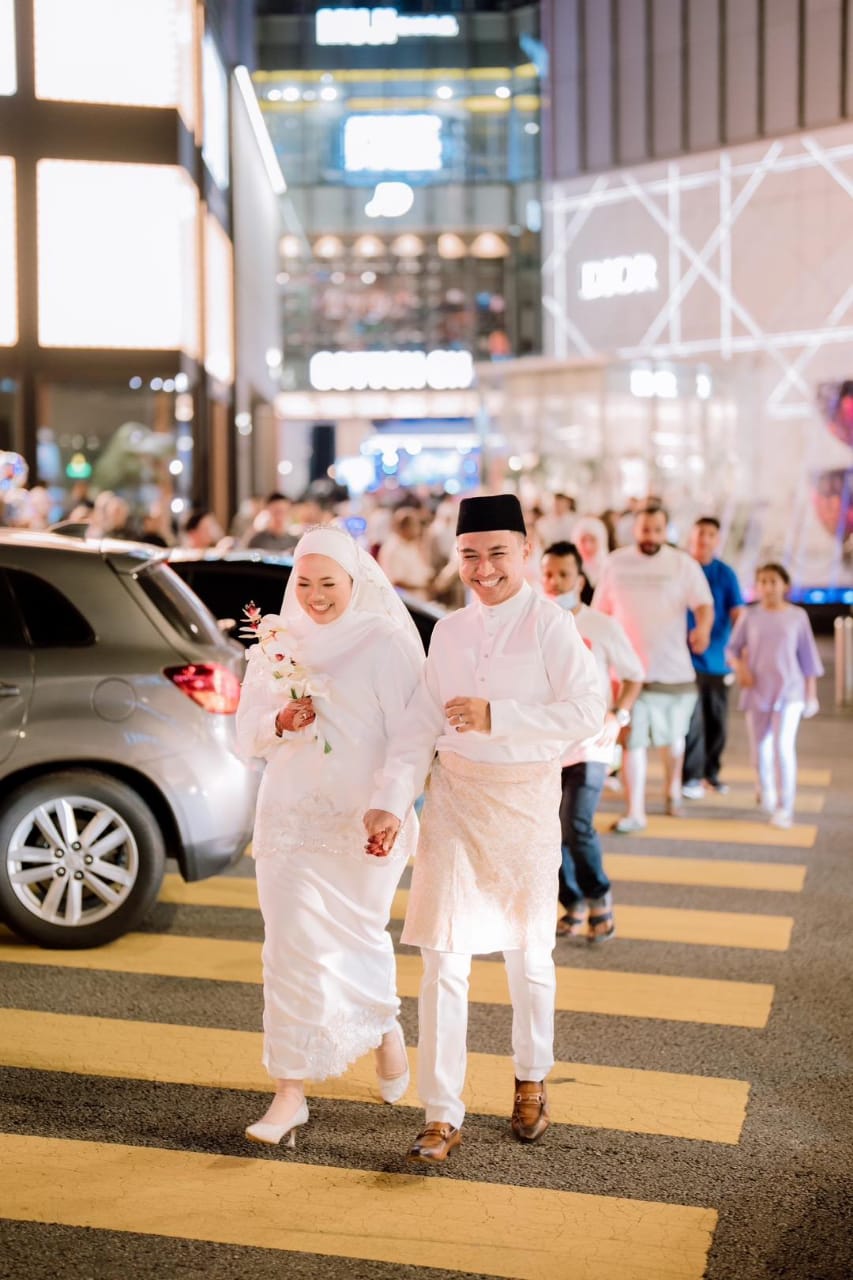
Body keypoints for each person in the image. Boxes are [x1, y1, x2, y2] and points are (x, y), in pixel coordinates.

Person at [364, 494, 604, 1165]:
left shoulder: (550, 625)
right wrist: (390, 798)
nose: (483, 567)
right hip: (454, 802)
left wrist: (500, 715)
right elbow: (417, 726)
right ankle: (441, 1112)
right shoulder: (448, 632)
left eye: (497, 552)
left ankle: (530, 1078)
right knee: (442, 958)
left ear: (525, 552)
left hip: (524, 801)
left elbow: (590, 708)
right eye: (470, 554)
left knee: (529, 954)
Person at [235, 526, 425, 1147]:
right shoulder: (274, 642)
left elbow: (412, 735)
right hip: (290, 815)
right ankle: (289, 1093)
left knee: (359, 936)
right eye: (305, 583)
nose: (316, 596)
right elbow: (248, 734)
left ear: (355, 581)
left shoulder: (387, 640)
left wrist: (392, 805)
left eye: (329, 584)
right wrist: (280, 719)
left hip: (365, 818)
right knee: (288, 947)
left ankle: (384, 1024)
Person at [541, 542, 644, 942]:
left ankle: (599, 896)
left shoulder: (601, 626)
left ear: (580, 581)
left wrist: (618, 715)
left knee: (576, 825)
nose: (554, 582)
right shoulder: (534, 625)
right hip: (546, 747)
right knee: (549, 831)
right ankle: (573, 903)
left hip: (592, 744)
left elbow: (634, 675)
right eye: (548, 574)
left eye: (563, 575)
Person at [593, 505, 714, 831]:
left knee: (673, 741)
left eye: (657, 530)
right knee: (633, 742)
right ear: (636, 530)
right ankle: (636, 811)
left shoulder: (681, 564)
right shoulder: (616, 563)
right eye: (645, 530)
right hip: (630, 675)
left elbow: (704, 603)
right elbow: (600, 613)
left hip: (673, 671)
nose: (650, 537)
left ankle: (673, 790)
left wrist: (702, 629)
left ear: (666, 531)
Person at [725, 562, 823, 830]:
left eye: (773, 582)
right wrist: (741, 668)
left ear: (785, 586)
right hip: (757, 691)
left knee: (783, 748)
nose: (768, 587)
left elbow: (808, 659)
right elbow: (732, 650)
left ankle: (785, 806)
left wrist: (810, 695)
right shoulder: (750, 616)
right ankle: (764, 788)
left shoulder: (797, 616)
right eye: (763, 582)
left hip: (790, 692)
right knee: (760, 749)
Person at [682, 518, 744, 799]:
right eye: (699, 534)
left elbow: (738, 614)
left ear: (716, 540)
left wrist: (739, 652)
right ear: (691, 538)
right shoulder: (681, 568)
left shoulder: (725, 574)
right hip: (684, 660)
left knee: (716, 720)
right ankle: (691, 776)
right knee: (692, 722)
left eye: (710, 535)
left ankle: (711, 773)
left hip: (718, 660)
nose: (704, 539)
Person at [377, 507, 434, 598]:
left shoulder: (411, 544)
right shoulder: (393, 548)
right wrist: (423, 587)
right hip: (405, 603)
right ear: (405, 527)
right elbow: (397, 581)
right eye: (415, 525)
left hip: (419, 600)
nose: (418, 529)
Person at [570, 515, 610, 591]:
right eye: (583, 540)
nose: (588, 546)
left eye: (592, 540)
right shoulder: (570, 569)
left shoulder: (609, 567)